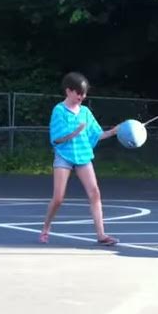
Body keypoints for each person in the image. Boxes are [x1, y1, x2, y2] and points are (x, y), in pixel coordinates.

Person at [39, 72, 121, 246]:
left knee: (95, 192)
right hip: (64, 156)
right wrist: (75, 132)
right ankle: (46, 227)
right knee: (59, 197)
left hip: (83, 156)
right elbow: (56, 138)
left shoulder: (85, 112)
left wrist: (114, 131)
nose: (81, 97)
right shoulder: (59, 110)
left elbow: (96, 135)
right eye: (78, 93)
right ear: (68, 91)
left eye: (84, 94)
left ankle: (101, 235)